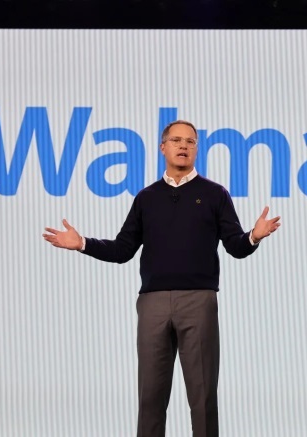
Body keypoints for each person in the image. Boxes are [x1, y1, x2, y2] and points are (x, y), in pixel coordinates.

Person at [42, 120, 281, 437]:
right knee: (150, 396)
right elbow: (123, 249)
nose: (184, 146)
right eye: (177, 140)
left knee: (202, 396)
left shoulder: (215, 194)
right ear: (163, 147)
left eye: (191, 141)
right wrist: (83, 243)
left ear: (196, 149)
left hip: (198, 301)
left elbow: (236, 246)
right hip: (152, 303)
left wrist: (254, 236)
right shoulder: (147, 197)